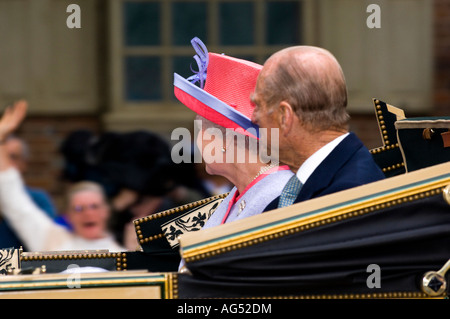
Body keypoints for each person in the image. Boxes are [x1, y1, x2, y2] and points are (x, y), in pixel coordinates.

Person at [173, 37, 294, 229]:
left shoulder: (282, 198)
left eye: (199, 128)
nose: (196, 142)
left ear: (222, 139)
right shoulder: (244, 191)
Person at [250, 46, 385, 210]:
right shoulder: (336, 183)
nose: (253, 117)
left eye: (258, 105)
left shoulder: (347, 197)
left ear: (285, 116)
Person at [0, 101, 124, 252]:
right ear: (68, 216)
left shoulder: (125, 256)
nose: (88, 213)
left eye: (94, 206)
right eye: (78, 208)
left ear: (106, 211)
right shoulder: (53, 240)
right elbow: (15, 201)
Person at [0, 134, 58, 249]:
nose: (2, 163)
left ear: (24, 163)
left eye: (11, 157)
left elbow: (47, 244)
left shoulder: (38, 201)